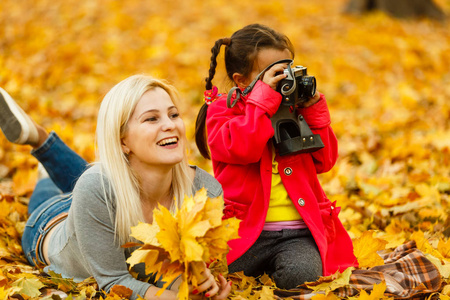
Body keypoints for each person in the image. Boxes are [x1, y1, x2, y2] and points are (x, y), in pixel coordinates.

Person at [0, 76, 231, 300]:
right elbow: (114, 281)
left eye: (174, 114)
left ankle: (45, 152)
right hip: (50, 223)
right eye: (152, 119)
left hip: (99, 197)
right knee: (83, 184)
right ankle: (43, 154)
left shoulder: (205, 192)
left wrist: (202, 284)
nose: (170, 125)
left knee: (96, 179)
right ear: (122, 141)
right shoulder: (95, 188)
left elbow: (178, 273)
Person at [195, 24, 358, 289]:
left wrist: (314, 111)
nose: (284, 81)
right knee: (220, 277)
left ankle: (274, 277)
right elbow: (243, 148)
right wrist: (262, 104)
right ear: (241, 81)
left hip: (297, 234)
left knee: (302, 276)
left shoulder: (295, 109)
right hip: (243, 232)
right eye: (274, 75)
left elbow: (325, 161)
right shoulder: (223, 111)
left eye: (288, 71)